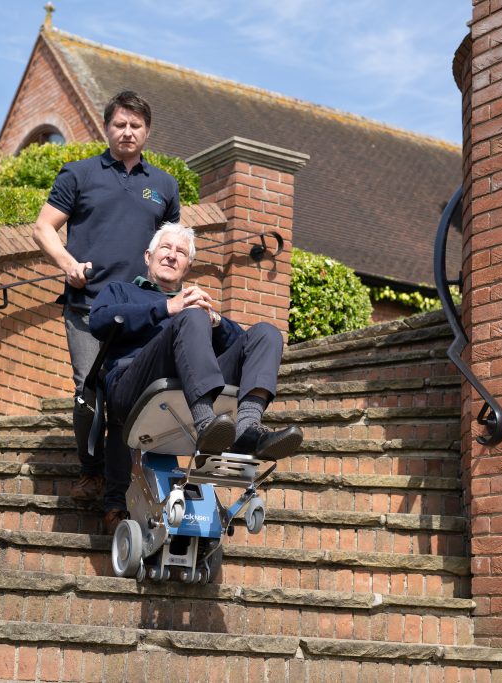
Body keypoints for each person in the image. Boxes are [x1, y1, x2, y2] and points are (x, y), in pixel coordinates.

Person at [89, 222, 303, 533]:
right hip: (132, 388)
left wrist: (215, 321)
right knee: (190, 317)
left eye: (180, 253)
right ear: (148, 256)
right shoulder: (121, 291)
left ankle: (247, 427)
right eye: (166, 248)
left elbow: (241, 348)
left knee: (266, 334)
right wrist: (167, 308)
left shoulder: (194, 303)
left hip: (184, 388)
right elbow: (99, 321)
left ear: (189, 266)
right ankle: (206, 424)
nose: (172, 256)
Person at [32, 91, 181, 505]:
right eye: (120, 124)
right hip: (88, 306)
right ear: (107, 128)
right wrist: (68, 264)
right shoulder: (78, 174)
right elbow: (44, 228)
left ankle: (134, 474)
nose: (127, 132)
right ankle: (92, 472)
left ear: (147, 131)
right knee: (88, 391)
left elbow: (173, 246)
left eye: (135, 125)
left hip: (143, 310)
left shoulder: (164, 186)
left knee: (140, 392)